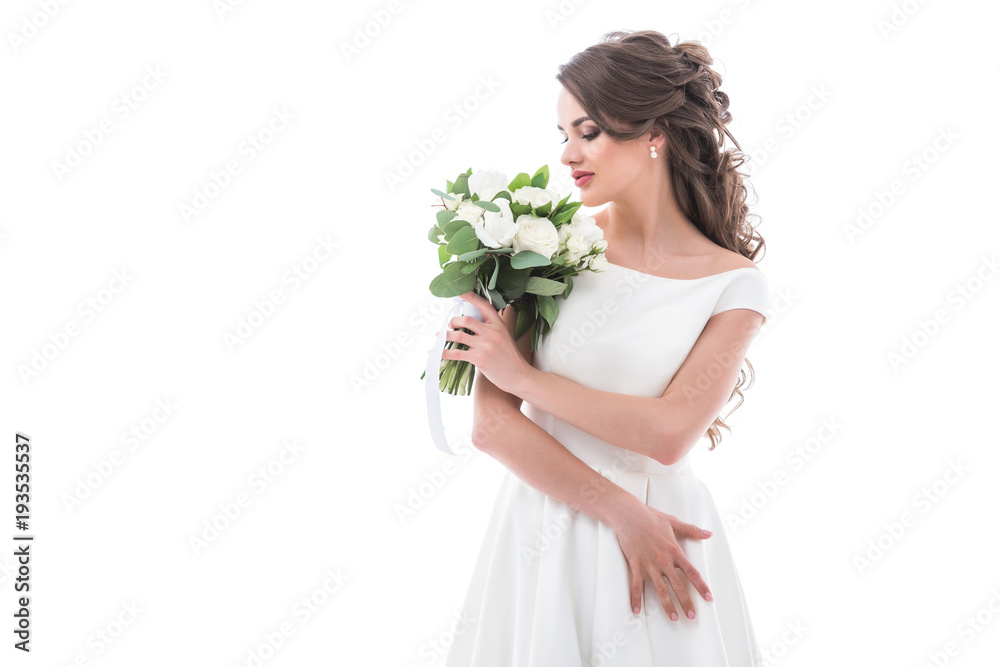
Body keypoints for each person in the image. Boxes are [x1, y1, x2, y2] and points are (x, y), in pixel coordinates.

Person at [441, 29, 770, 666]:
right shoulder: (543, 250)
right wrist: (620, 510)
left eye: (588, 131)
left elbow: (670, 433)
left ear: (656, 133)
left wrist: (523, 376)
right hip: (548, 524)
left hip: (665, 539)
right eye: (562, 134)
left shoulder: (733, 283)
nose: (567, 155)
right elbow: (491, 427)